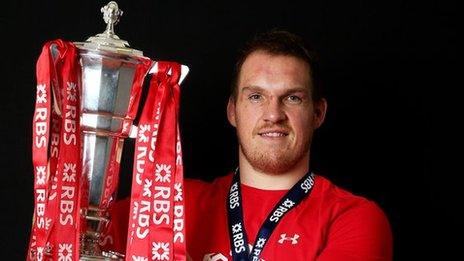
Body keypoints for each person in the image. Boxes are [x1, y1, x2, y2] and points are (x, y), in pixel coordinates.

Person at [107, 30, 392, 261]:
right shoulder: (166, 205)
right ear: (233, 111)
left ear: (318, 113)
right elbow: (78, 234)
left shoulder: (354, 219)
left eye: (292, 98)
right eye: (256, 97)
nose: (273, 114)